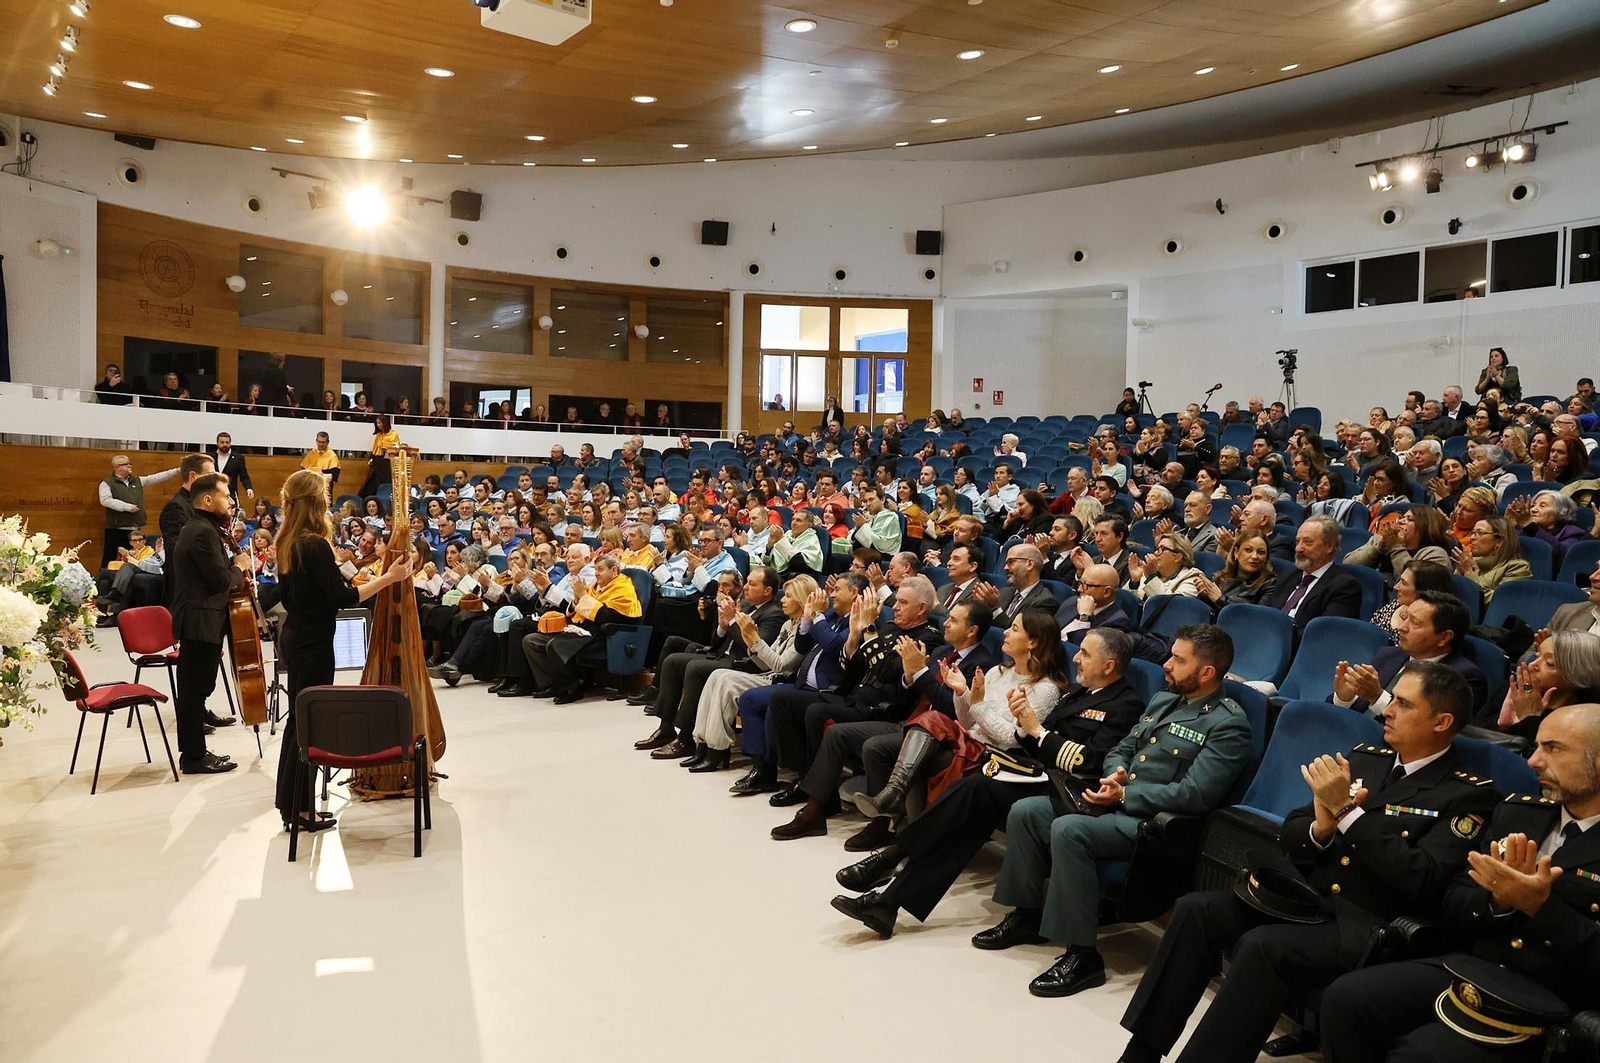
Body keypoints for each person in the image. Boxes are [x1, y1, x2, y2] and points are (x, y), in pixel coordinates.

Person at [1119, 662, 1496, 1063]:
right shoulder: (1368, 759)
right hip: (1310, 900)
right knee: (1197, 910)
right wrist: (1321, 828)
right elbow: (1296, 827)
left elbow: (1425, 880)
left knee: (1263, 946)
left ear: (1442, 721)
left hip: (1368, 926)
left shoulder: (1466, 796)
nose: (1386, 709)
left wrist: (1348, 813)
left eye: (1403, 704)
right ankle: (1141, 1051)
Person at [979, 625, 1252, 997]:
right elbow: (1121, 749)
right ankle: (1027, 915)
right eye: (1170, 654)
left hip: (1151, 825)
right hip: (1116, 800)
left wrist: (1125, 795)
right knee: (1028, 812)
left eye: (1178, 659)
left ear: (1207, 673)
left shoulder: (1228, 723)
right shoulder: (1163, 700)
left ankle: (1083, 955)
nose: (1166, 664)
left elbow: (1195, 795)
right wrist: (1115, 775)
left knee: (1068, 830)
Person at [1321, 702, 1600, 1063]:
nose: (1532, 762)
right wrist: (1498, 903)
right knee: (1346, 1000)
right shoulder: (1521, 812)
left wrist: (1541, 908)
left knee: (1422, 1054)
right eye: (1536, 747)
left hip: (1554, 1000)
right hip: (1475, 967)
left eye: (1553, 748)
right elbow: (1454, 899)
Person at [831, 628, 1145, 937]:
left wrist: (1036, 731)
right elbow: (1030, 740)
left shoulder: (1125, 704)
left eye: (1085, 654)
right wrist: (1026, 726)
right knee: (968, 816)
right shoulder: (1077, 693)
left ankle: (891, 859)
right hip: (1041, 776)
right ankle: (886, 903)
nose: (1075, 658)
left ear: (1108, 665)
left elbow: (1090, 762)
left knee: (976, 789)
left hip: (1074, 792)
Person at [272, 470, 413, 830]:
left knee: (299, 721)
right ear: (316, 503)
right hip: (314, 642)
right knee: (308, 723)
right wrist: (388, 579)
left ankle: (290, 804)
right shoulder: (314, 545)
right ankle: (300, 809)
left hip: (297, 636)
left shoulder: (288, 540)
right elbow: (342, 598)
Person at [637, 566, 787, 758]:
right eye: (747, 582)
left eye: (752, 584)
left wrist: (732, 621)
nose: (746, 588)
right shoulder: (746, 606)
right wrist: (723, 626)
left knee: (695, 668)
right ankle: (666, 727)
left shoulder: (774, 614)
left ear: (767, 591)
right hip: (722, 655)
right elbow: (717, 641)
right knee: (673, 661)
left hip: (743, 664)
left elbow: (754, 651)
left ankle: (686, 738)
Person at [168, 473, 254, 775]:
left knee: (197, 689)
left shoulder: (202, 528)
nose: (231, 502)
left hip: (202, 620)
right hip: (199, 620)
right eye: (226, 496)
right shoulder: (201, 531)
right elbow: (221, 581)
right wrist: (239, 566)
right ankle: (193, 757)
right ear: (208, 500)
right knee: (193, 692)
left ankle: (195, 752)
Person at [1335, 588, 1487, 719]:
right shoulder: (1387, 655)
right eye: (1404, 617)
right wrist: (1344, 699)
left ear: (1444, 637)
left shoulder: (1462, 678)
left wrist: (1377, 697)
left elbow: (1424, 731)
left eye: (1415, 623)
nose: (1402, 627)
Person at [518, 554, 643, 704]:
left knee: (554, 645)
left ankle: (571, 688)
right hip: (577, 628)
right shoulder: (596, 587)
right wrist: (578, 597)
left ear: (614, 570)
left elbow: (606, 616)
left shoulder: (623, 587)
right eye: (595, 569)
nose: (596, 573)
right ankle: (550, 684)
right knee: (532, 641)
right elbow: (575, 611)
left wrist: (582, 595)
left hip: (600, 634)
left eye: (600, 569)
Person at [1265, 515, 1364, 636]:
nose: (1298, 548)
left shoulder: (1345, 587)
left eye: (1307, 542)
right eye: (1297, 541)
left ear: (1329, 546)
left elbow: (1324, 634)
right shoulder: (1286, 577)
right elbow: (1267, 615)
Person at [1496, 631, 1600, 741]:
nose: (1532, 665)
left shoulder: (1583, 723)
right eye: (1537, 656)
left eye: (1550, 663)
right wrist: (1503, 728)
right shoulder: (1512, 691)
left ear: (1579, 675)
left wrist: (1529, 720)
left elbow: (1541, 756)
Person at [98, 454, 179, 568]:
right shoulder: (107, 483)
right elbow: (105, 500)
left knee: (135, 559)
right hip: (116, 530)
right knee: (109, 559)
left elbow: (155, 477)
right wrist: (127, 507)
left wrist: (176, 471)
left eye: (130, 463)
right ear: (117, 467)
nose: (130, 466)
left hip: (135, 530)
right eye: (126, 464)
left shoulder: (137, 480)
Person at [159, 453, 217, 605]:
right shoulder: (176, 507)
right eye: (210, 474)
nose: (214, 480)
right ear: (193, 476)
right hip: (187, 590)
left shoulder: (200, 504)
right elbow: (177, 553)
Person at [1193, 530, 1278, 612]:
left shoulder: (1269, 583)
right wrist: (1205, 596)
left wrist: (1219, 599)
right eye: (1248, 550)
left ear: (1266, 557)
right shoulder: (1219, 577)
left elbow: (1257, 618)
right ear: (1236, 552)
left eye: (1261, 552)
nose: (1255, 556)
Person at [1370, 561, 1455, 643]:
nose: (1396, 587)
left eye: (1403, 583)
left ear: (1423, 590)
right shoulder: (1396, 604)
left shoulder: (1431, 625)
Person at [1457, 515, 1533, 603]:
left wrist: (1469, 573)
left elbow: (1499, 602)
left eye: (1480, 533)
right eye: (1473, 532)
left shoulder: (1518, 567)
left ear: (1499, 541)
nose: (1472, 537)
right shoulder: (1471, 561)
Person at [1126, 532, 1203, 600]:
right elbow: (1123, 602)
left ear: (1178, 557)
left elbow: (1171, 606)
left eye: (1163, 549)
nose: (1156, 553)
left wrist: (1151, 578)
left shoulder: (1192, 578)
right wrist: (1134, 582)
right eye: (1157, 549)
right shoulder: (1147, 573)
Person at [357, 415, 400, 497]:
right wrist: (371, 458)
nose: (378, 425)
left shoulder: (393, 434)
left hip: (386, 462)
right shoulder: (378, 435)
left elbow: (395, 447)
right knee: (372, 482)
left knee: (384, 482)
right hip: (377, 461)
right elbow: (375, 448)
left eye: (380, 423)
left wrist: (385, 446)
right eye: (377, 423)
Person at [211, 431, 253, 501]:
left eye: (227, 442)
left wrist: (249, 488)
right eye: (222, 442)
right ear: (217, 443)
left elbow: (244, 476)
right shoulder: (210, 457)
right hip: (212, 492)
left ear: (230, 443)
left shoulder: (238, 458)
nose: (225, 444)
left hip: (230, 494)